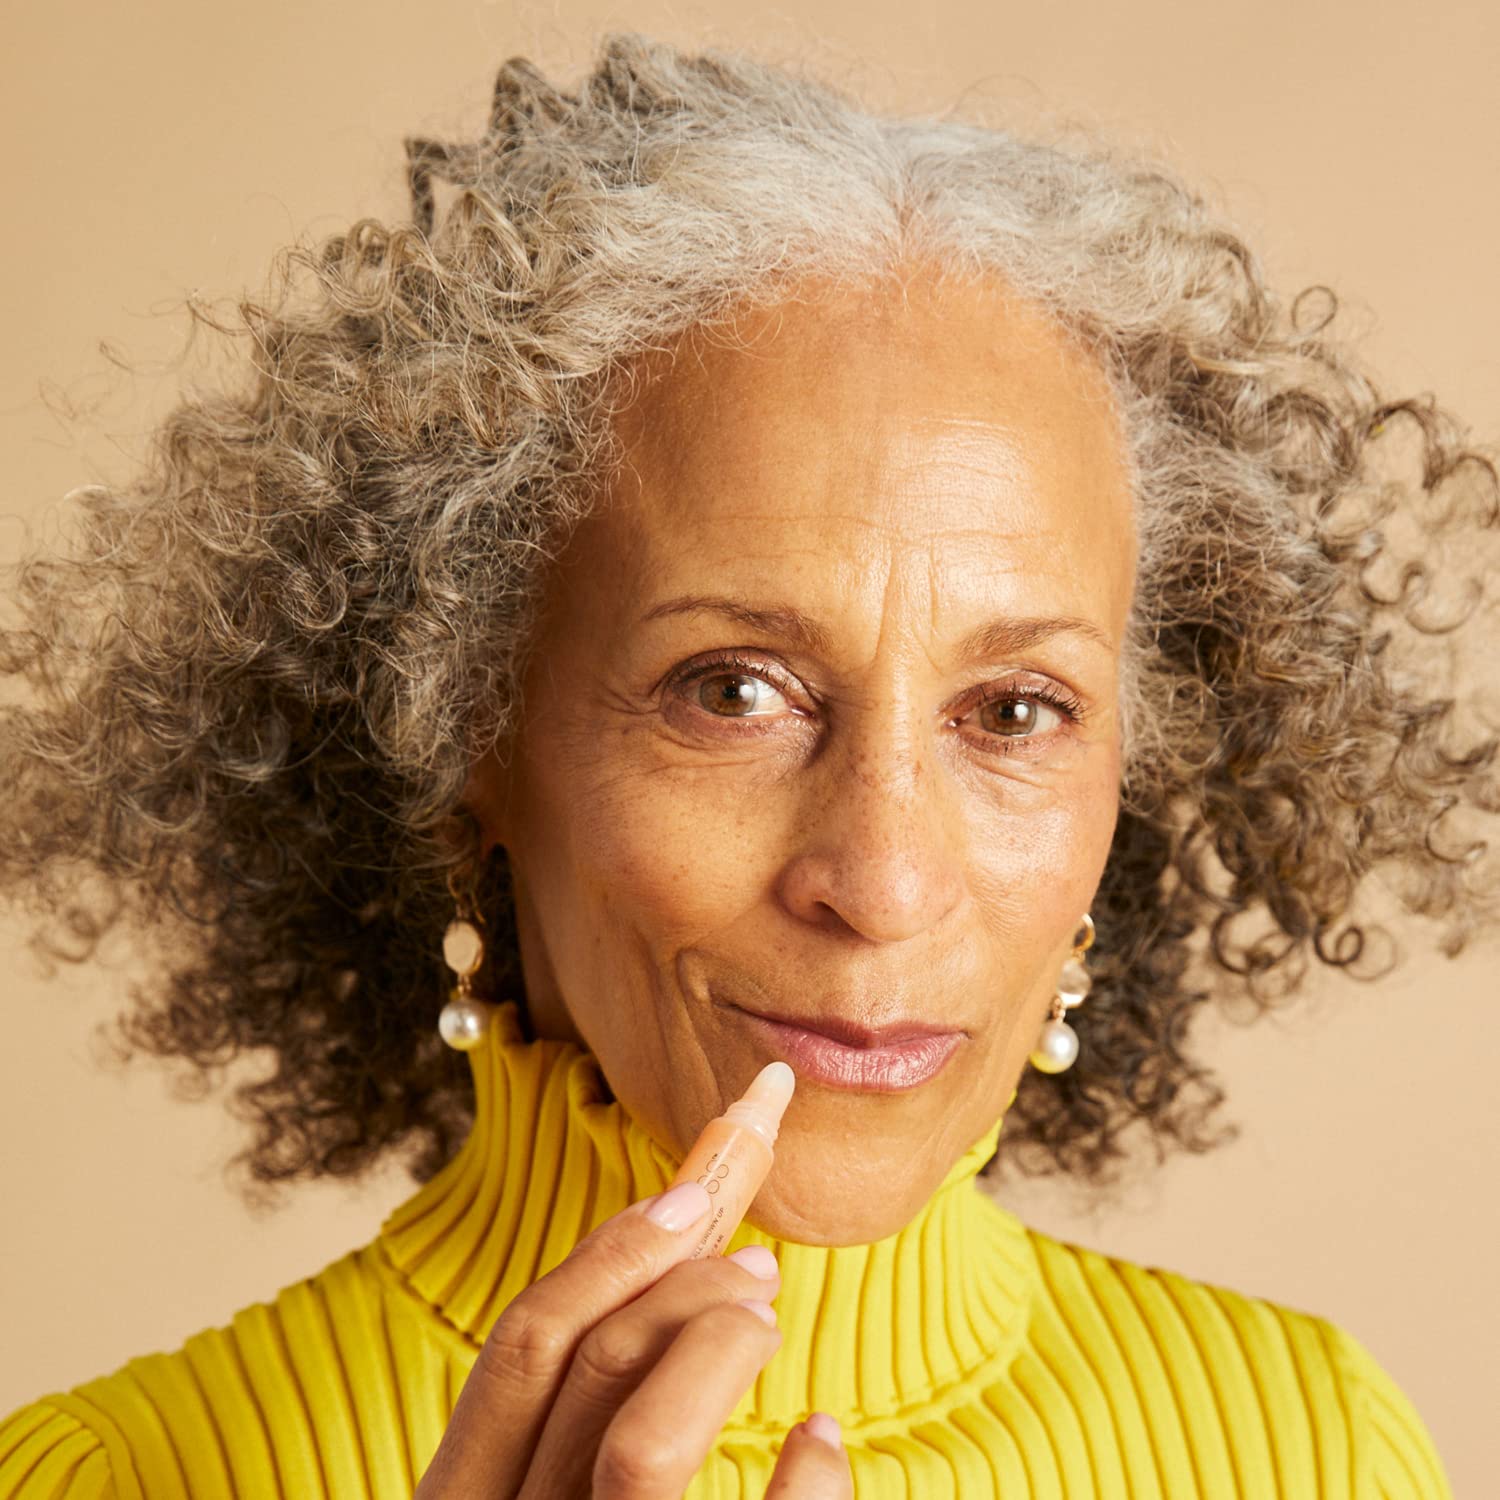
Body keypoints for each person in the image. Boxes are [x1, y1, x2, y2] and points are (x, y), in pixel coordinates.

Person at [0, 28, 1488, 1499]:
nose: (883, 884)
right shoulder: (117, 1479)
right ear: (466, 736)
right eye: (733, 692)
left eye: (1017, 711)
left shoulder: (1312, 1452)